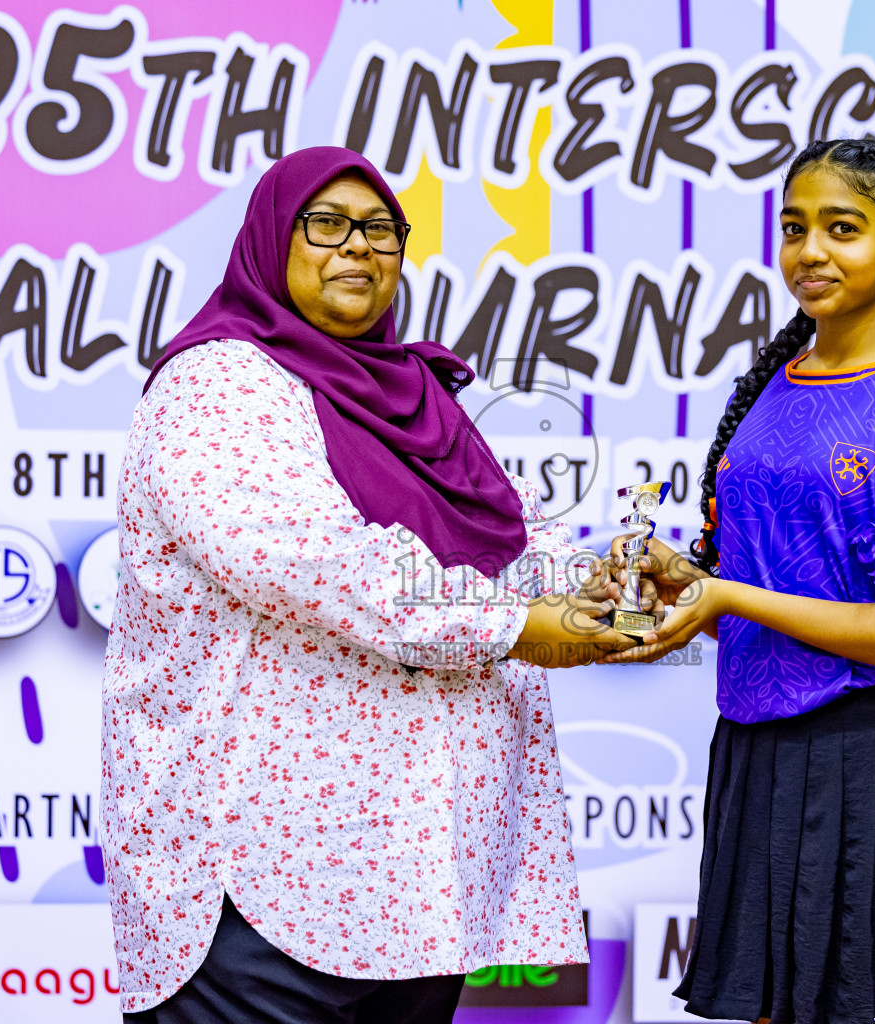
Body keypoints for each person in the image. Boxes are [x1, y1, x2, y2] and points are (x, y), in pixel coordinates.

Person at [100, 146, 644, 1024]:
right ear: (270, 242)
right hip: (267, 889)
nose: (359, 248)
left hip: (420, 888)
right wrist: (524, 626)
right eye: (327, 225)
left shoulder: (418, 397)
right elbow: (325, 570)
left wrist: (608, 587)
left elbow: (505, 543)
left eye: (381, 229)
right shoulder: (220, 385)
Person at [608, 137, 875, 1024]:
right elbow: (749, 598)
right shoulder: (762, 396)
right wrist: (685, 584)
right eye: (794, 228)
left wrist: (730, 595)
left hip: (872, 757)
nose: (810, 251)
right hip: (755, 750)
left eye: (842, 229)